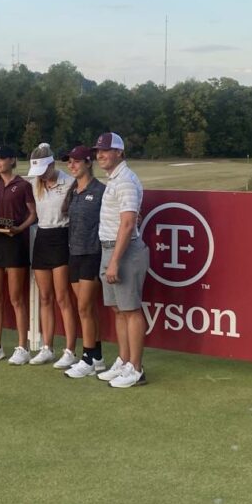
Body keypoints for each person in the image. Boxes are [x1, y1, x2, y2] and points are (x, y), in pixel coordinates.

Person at [91, 133, 150, 388]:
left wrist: (114, 261)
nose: (100, 155)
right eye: (98, 151)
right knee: (118, 309)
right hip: (111, 249)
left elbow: (127, 224)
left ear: (119, 153)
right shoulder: (115, 179)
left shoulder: (124, 180)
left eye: (106, 150)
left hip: (123, 251)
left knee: (131, 310)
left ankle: (136, 369)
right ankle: (125, 361)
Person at [0, 144, 37, 364]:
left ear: (12, 160)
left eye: (2, 158)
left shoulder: (22, 185)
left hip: (14, 242)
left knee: (16, 297)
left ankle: (23, 346)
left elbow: (32, 214)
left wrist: (20, 229)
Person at [58, 145, 109, 378]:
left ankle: (88, 357)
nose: (72, 165)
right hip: (74, 253)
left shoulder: (100, 190)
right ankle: (97, 357)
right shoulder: (73, 190)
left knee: (84, 308)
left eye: (77, 161)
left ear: (89, 162)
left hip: (93, 253)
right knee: (86, 309)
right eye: (69, 162)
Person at [26, 143, 78, 366]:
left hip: (61, 237)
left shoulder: (69, 182)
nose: (41, 176)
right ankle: (47, 347)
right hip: (42, 238)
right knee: (45, 297)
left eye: (44, 171)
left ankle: (70, 350)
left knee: (62, 297)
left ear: (52, 164)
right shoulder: (35, 183)